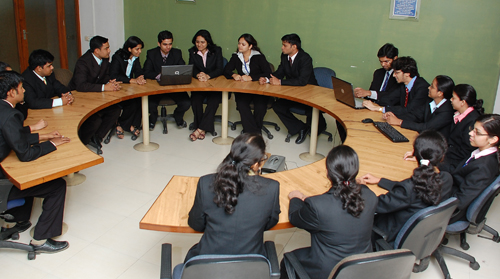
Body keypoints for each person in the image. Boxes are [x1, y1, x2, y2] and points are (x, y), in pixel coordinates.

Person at [0, 71, 70, 253]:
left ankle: (18, 220)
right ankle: (41, 239)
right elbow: (24, 153)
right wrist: (51, 145)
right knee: (57, 185)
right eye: (21, 88)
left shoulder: (3, 109)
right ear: (11, 93)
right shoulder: (10, 114)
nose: (24, 91)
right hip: (2, 180)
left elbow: (14, 136)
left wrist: (44, 136)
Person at [281, 145, 377, 279]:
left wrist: (296, 198)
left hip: (329, 271)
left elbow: (295, 217)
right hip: (363, 266)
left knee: (287, 260)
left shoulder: (318, 205)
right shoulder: (371, 196)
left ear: (328, 173)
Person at [184, 133, 280, 263]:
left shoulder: (205, 183)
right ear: (256, 164)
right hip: (252, 266)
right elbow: (269, 223)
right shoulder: (271, 188)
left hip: (206, 266)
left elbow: (196, 224)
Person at [359, 130, 453, 243]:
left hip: (389, 233)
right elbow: (415, 189)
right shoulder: (446, 179)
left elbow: (375, 204)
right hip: (419, 233)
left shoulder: (408, 188)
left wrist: (362, 188)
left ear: (414, 153)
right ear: (441, 157)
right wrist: (381, 181)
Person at [259, 33, 326, 144]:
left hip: (309, 93)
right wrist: (267, 79)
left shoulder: (305, 58)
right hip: (292, 91)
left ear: (294, 47)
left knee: (312, 111)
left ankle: (320, 126)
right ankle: (300, 128)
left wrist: (280, 82)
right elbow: (280, 72)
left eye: (285, 45)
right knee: (278, 106)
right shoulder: (284, 56)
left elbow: (302, 81)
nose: (282, 47)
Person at [69, 35, 121, 149]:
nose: (109, 50)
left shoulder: (105, 59)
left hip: (94, 95)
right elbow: (81, 85)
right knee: (95, 120)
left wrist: (110, 82)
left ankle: (97, 137)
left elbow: (105, 76)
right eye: (106, 48)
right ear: (97, 51)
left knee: (115, 110)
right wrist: (104, 87)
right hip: (79, 97)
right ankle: (82, 142)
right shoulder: (83, 62)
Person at [448, 114, 499, 224]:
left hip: (451, 210)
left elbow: (460, 201)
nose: (470, 133)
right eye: (473, 129)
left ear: (493, 139)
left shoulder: (484, 167)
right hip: (452, 190)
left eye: (477, 132)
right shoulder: (480, 152)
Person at [223, 34, 272, 134]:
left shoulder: (258, 57)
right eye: (239, 43)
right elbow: (226, 70)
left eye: (243, 44)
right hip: (243, 89)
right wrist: (233, 75)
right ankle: (255, 133)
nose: (240, 46)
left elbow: (268, 72)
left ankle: (251, 130)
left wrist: (251, 77)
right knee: (242, 104)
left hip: (259, 88)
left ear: (250, 46)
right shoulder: (236, 56)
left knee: (260, 105)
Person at [143, 30, 190, 130]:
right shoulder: (151, 53)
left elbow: (183, 69)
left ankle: (178, 116)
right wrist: (160, 75)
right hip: (157, 87)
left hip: (173, 87)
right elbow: (146, 72)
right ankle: (153, 119)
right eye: (165, 44)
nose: (168, 47)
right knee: (150, 104)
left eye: (170, 44)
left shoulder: (177, 53)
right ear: (159, 43)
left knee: (186, 103)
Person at [384, 75, 455, 139]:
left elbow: (427, 127)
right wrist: (394, 116)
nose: (429, 88)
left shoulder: (447, 111)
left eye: (432, 87)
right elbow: (415, 115)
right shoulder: (430, 101)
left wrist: (400, 122)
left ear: (440, 93)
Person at [363, 56, 430, 118]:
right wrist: (373, 105)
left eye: (397, 72)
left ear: (407, 73)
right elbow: (387, 99)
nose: (394, 75)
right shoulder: (403, 85)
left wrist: (379, 109)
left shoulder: (422, 88)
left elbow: (409, 110)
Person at [438, 84, 484, 172]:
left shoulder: (472, 121)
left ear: (462, 102)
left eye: (453, 98)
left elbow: (464, 152)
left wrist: (439, 154)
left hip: (456, 164)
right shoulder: (459, 115)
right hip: (448, 156)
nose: (451, 100)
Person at [188, 29, 224, 141]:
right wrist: (198, 74)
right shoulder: (192, 51)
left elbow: (220, 69)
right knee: (195, 100)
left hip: (214, 85)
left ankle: (199, 129)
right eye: (197, 42)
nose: (199, 44)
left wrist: (208, 75)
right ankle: (203, 129)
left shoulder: (216, 50)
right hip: (200, 85)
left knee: (214, 100)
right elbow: (191, 68)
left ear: (208, 42)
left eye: (202, 42)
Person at [110, 36, 145, 140]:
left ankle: (132, 124)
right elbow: (114, 75)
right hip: (118, 87)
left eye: (140, 49)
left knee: (140, 99)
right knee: (131, 102)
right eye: (137, 49)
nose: (140, 51)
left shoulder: (135, 57)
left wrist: (140, 77)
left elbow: (138, 70)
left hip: (128, 87)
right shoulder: (118, 57)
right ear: (129, 49)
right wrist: (132, 80)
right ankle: (126, 125)